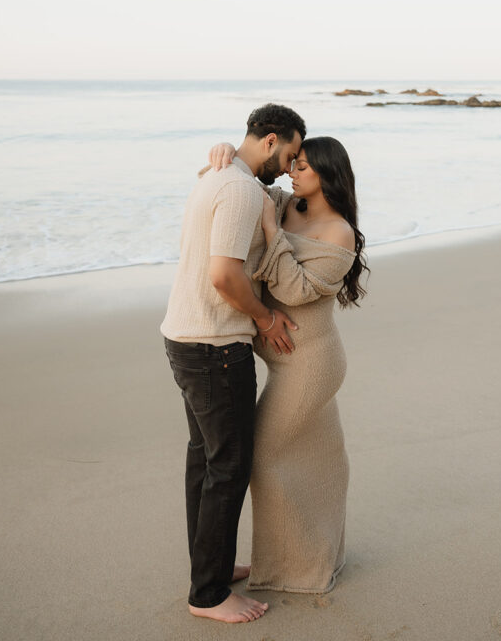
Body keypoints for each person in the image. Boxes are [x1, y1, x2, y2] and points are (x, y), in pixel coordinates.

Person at [161, 103, 306, 624]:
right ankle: (208, 596)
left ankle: (212, 569)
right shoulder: (241, 187)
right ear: (270, 140)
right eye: (289, 154)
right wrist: (266, 319)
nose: (290, 167)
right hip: (215, 346)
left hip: (185, 336)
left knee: (205, 462)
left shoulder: (223, 174)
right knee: (227, 467)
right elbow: (225, 275)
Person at [209, 135, 367, 594]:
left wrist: (273, 232)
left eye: (301, 167)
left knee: (263, 455)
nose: (290, 172)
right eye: (292, 164)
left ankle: (289, 570)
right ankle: (316, 557)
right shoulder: (286, 203)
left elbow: (297, 291)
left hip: (311, 365)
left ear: (325, 174)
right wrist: (223, 154)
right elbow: (235, 185)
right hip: (287, 362)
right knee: (322, 461)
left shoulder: (339, 231)